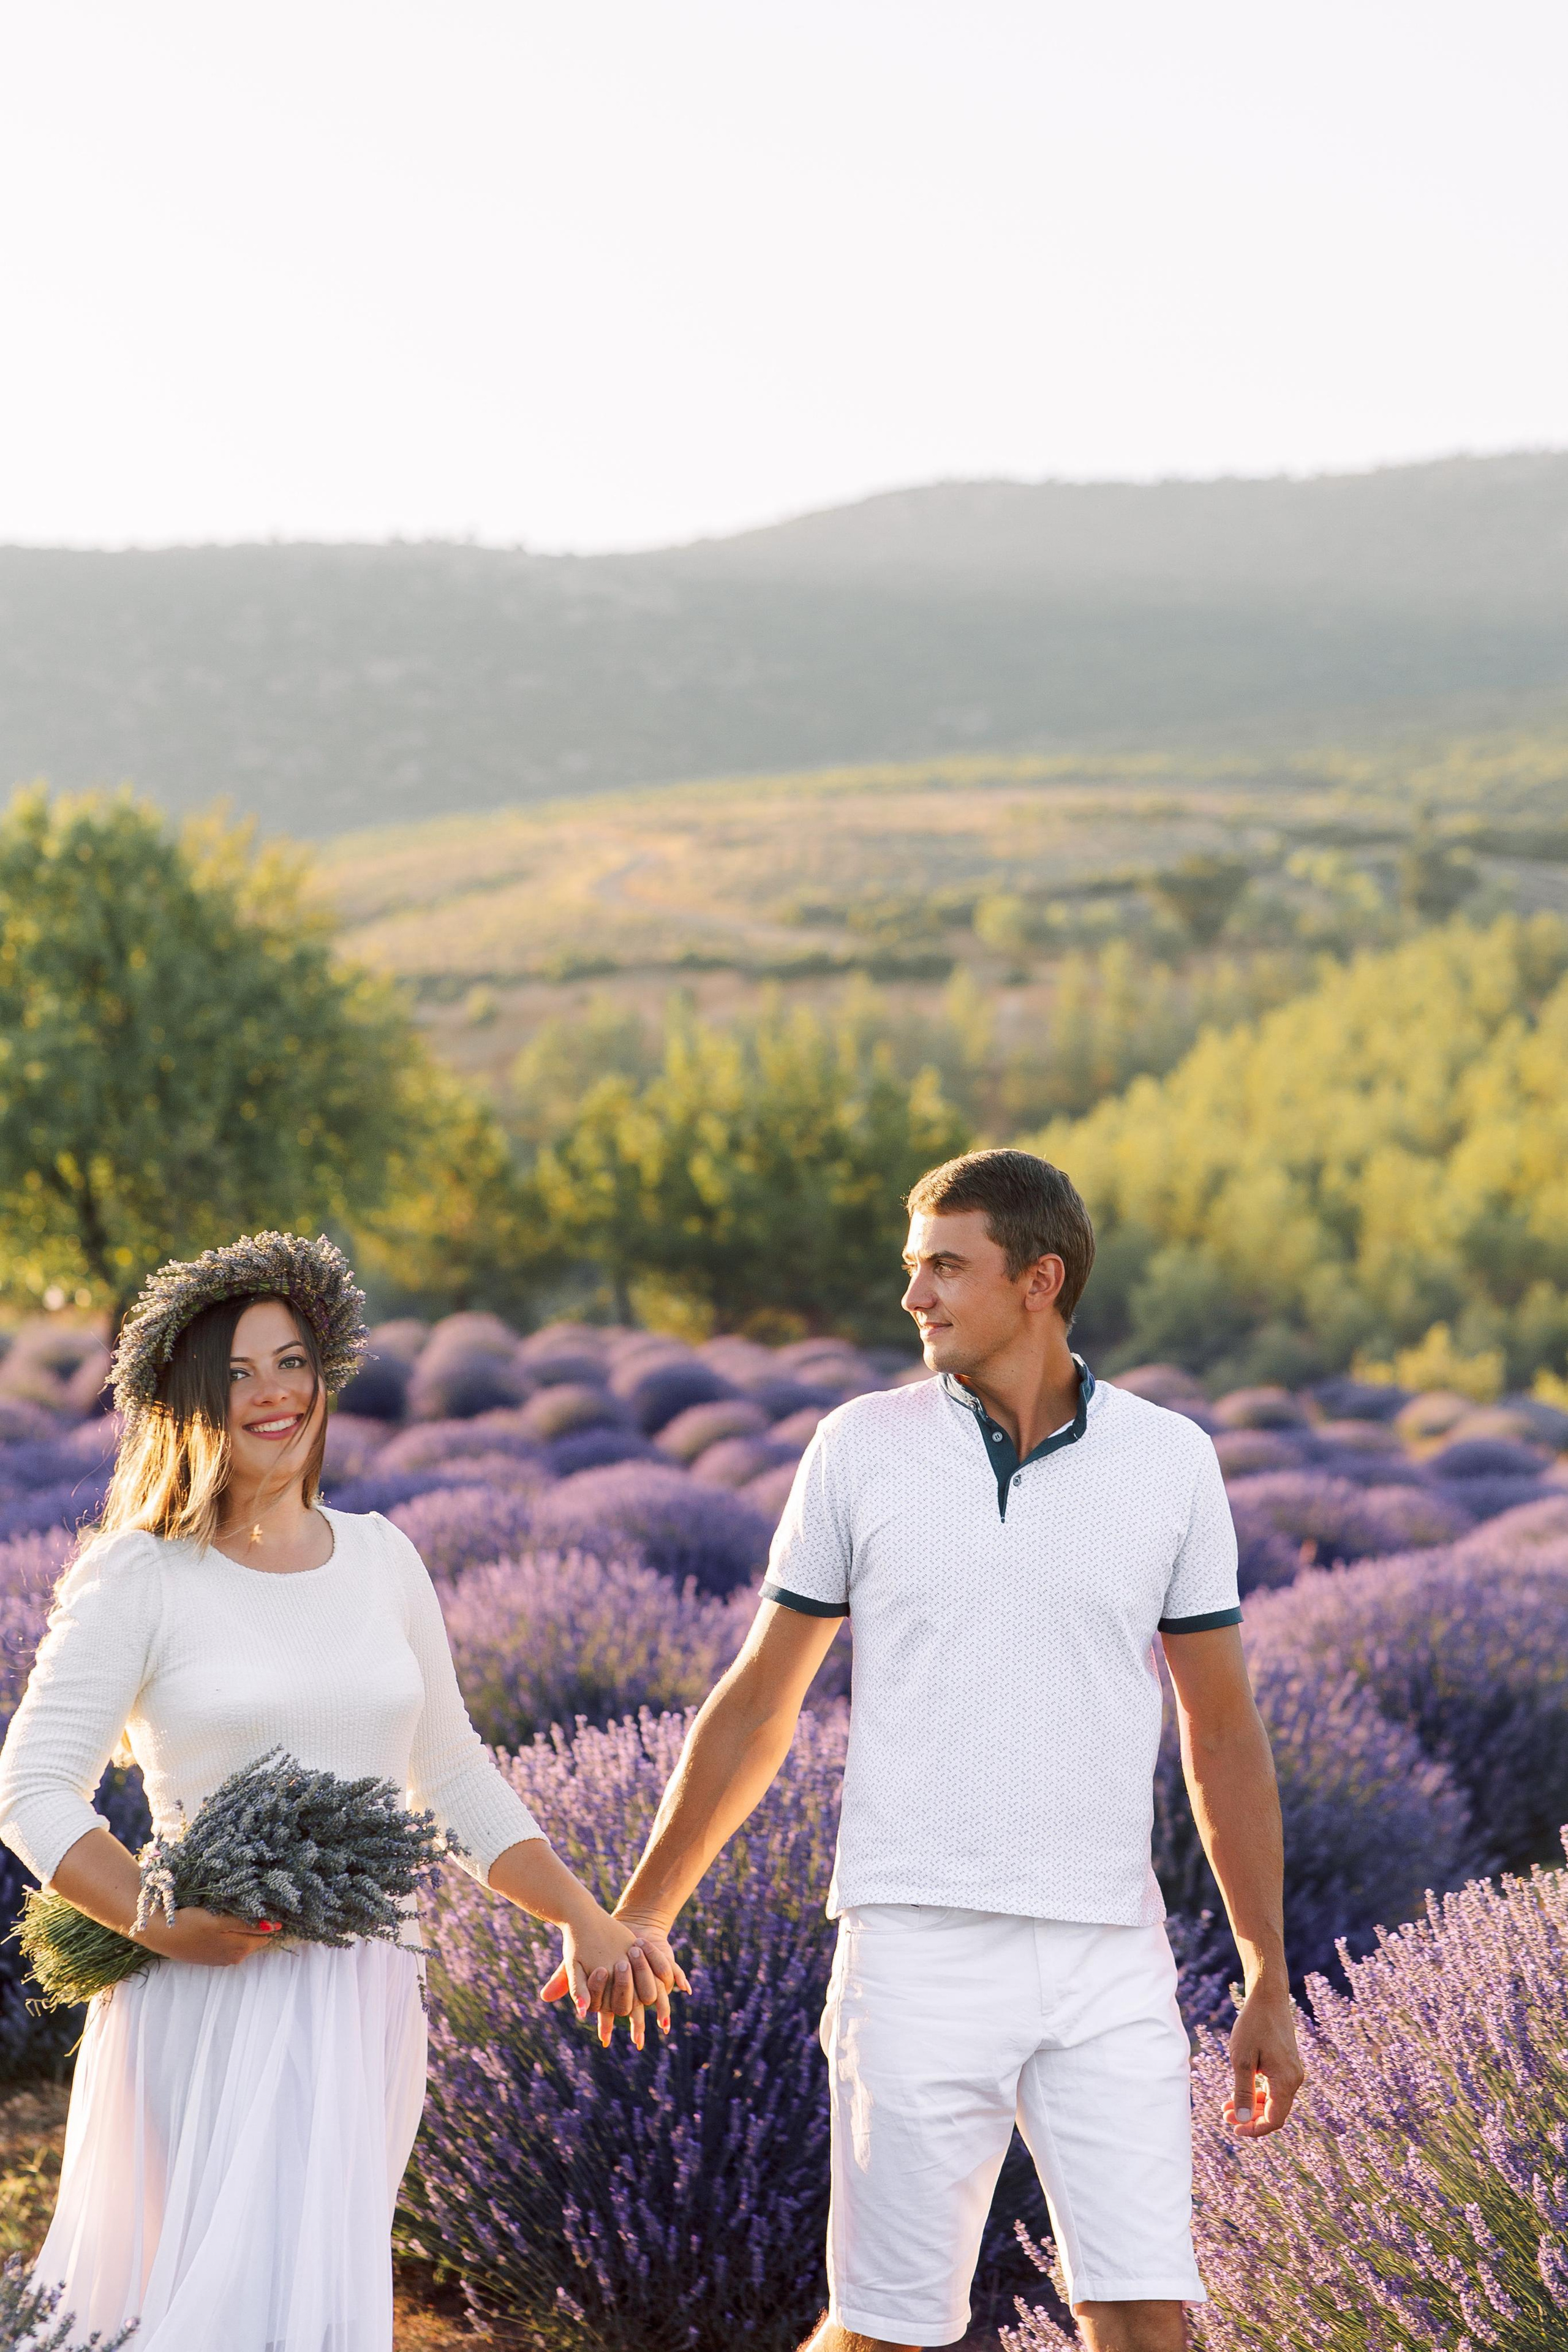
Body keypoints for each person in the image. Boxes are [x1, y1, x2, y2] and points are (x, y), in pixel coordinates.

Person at [589, 1150, 1303, 2352]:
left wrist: (1264, 1973)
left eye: (942, 1268)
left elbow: (1220, 1731)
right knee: (883, 2330)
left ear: (1039, 1280)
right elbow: (762, 1698)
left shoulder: (1169, 1461)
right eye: (910, 1267)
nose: (912, 1297)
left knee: (1145, 2318)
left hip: (1106, 1953)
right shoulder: (858, 1448)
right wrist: (642, 1911)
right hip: (916, 1946)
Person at [0, 1232, 683, 2352]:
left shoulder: (382, 1558)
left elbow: (452, 1773)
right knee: (205, 2310)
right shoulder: (139, 1573)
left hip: (363, 1994)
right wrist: (161, 1921)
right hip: (209, 1996)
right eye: (235, 1374)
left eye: (291, 1363)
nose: (273, 1395)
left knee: (316, 2306)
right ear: (182, 1402)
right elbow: (31, 1791)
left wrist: (588, 1919)